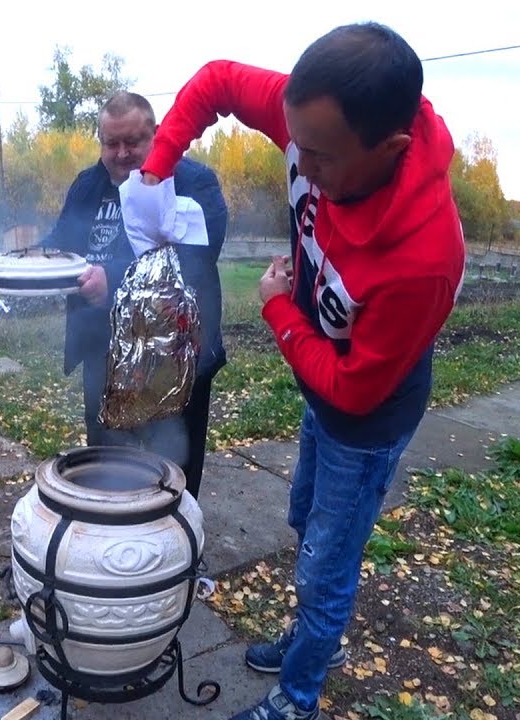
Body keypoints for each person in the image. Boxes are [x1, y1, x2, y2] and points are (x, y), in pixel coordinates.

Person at [128, 23, 466, 720]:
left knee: (325, 562)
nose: (300, 164)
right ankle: (319, 637)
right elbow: (218, 80)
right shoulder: (318, 120)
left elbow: (353, 388)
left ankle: (302, 691)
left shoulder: (423, 259)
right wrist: (157, 170)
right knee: (301, 516)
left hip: (366, 416)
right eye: (295, 143)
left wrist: (280, 310)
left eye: (321, 158)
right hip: (323, 379)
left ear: (391, 149)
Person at [42, 92, 228, 498]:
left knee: (176, 467)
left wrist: (112, 278)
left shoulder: (194, 182)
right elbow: (62, 243)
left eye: (134, 142)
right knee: (106, 465)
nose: (122, 153)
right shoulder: (87, 186)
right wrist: (31, 263)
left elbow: (196, 258)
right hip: (103, 353)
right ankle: (114, 540)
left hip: (174, 356)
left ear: (157, 135)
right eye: (112, 143)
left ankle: (177, 549)